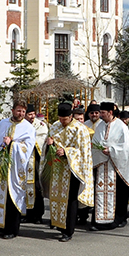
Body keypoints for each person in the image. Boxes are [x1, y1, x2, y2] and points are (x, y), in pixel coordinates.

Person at [43, 103, 94, 241]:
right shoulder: (55, 126)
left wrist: (66, 152)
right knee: (57, 197)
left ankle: (68, 231)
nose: (62, 122)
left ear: (71, 116)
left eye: (64, 119)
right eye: (60, 118)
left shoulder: (80, 129)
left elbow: (83, 151)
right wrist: (49, 143)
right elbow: (49, 145)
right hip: (57, 168)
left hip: (73, 170)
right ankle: (58, 224)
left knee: (70, 199)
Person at [90, 102, 129, 229]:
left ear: (110, 112)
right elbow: (95, 143)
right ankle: (99, 220)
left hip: (118, 167)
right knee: (100, 193)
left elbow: (126, 148)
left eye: (103, 113)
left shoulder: (121, 127)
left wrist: (111, 150)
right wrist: (99, 149)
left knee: (120, 194)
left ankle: (119, 219)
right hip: (102, 166)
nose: (101, 115)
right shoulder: (100, 126)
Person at [0, 101, 36, 239]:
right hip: (1, 166)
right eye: (18, 111)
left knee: (13, 197)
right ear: (12, 110)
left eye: (23, 111)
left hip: (17, 169)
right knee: (0, 195)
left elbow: (28, 148)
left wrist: (12, 144)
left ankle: (12, 229)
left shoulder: (28, 128)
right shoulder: (2, 124)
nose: (21, 114)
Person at [24, 104, 48, 223]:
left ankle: (38, 215)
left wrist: (31, 141)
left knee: (37, 187)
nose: (32, 116)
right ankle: (26, 213)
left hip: (36, 159)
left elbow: (42, 139)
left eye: (33, 114)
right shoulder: (20, 125)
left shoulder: (40, 125)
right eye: (30, 114)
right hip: (23, 160)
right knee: (23, 186)